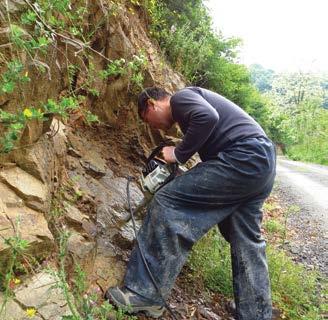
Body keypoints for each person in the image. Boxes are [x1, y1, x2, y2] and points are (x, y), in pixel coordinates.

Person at [106, 86, 276, 319]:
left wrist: (178, 153)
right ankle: (256, 313)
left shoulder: (180, 99)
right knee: (246, 239)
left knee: (167, 202)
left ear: (151, 104)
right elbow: (209, 129)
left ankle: (144, 294)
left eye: (148, 120)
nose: (152, 126)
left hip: (242, 156)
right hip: (261, 162)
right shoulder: (192, 109)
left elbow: (208, 117)